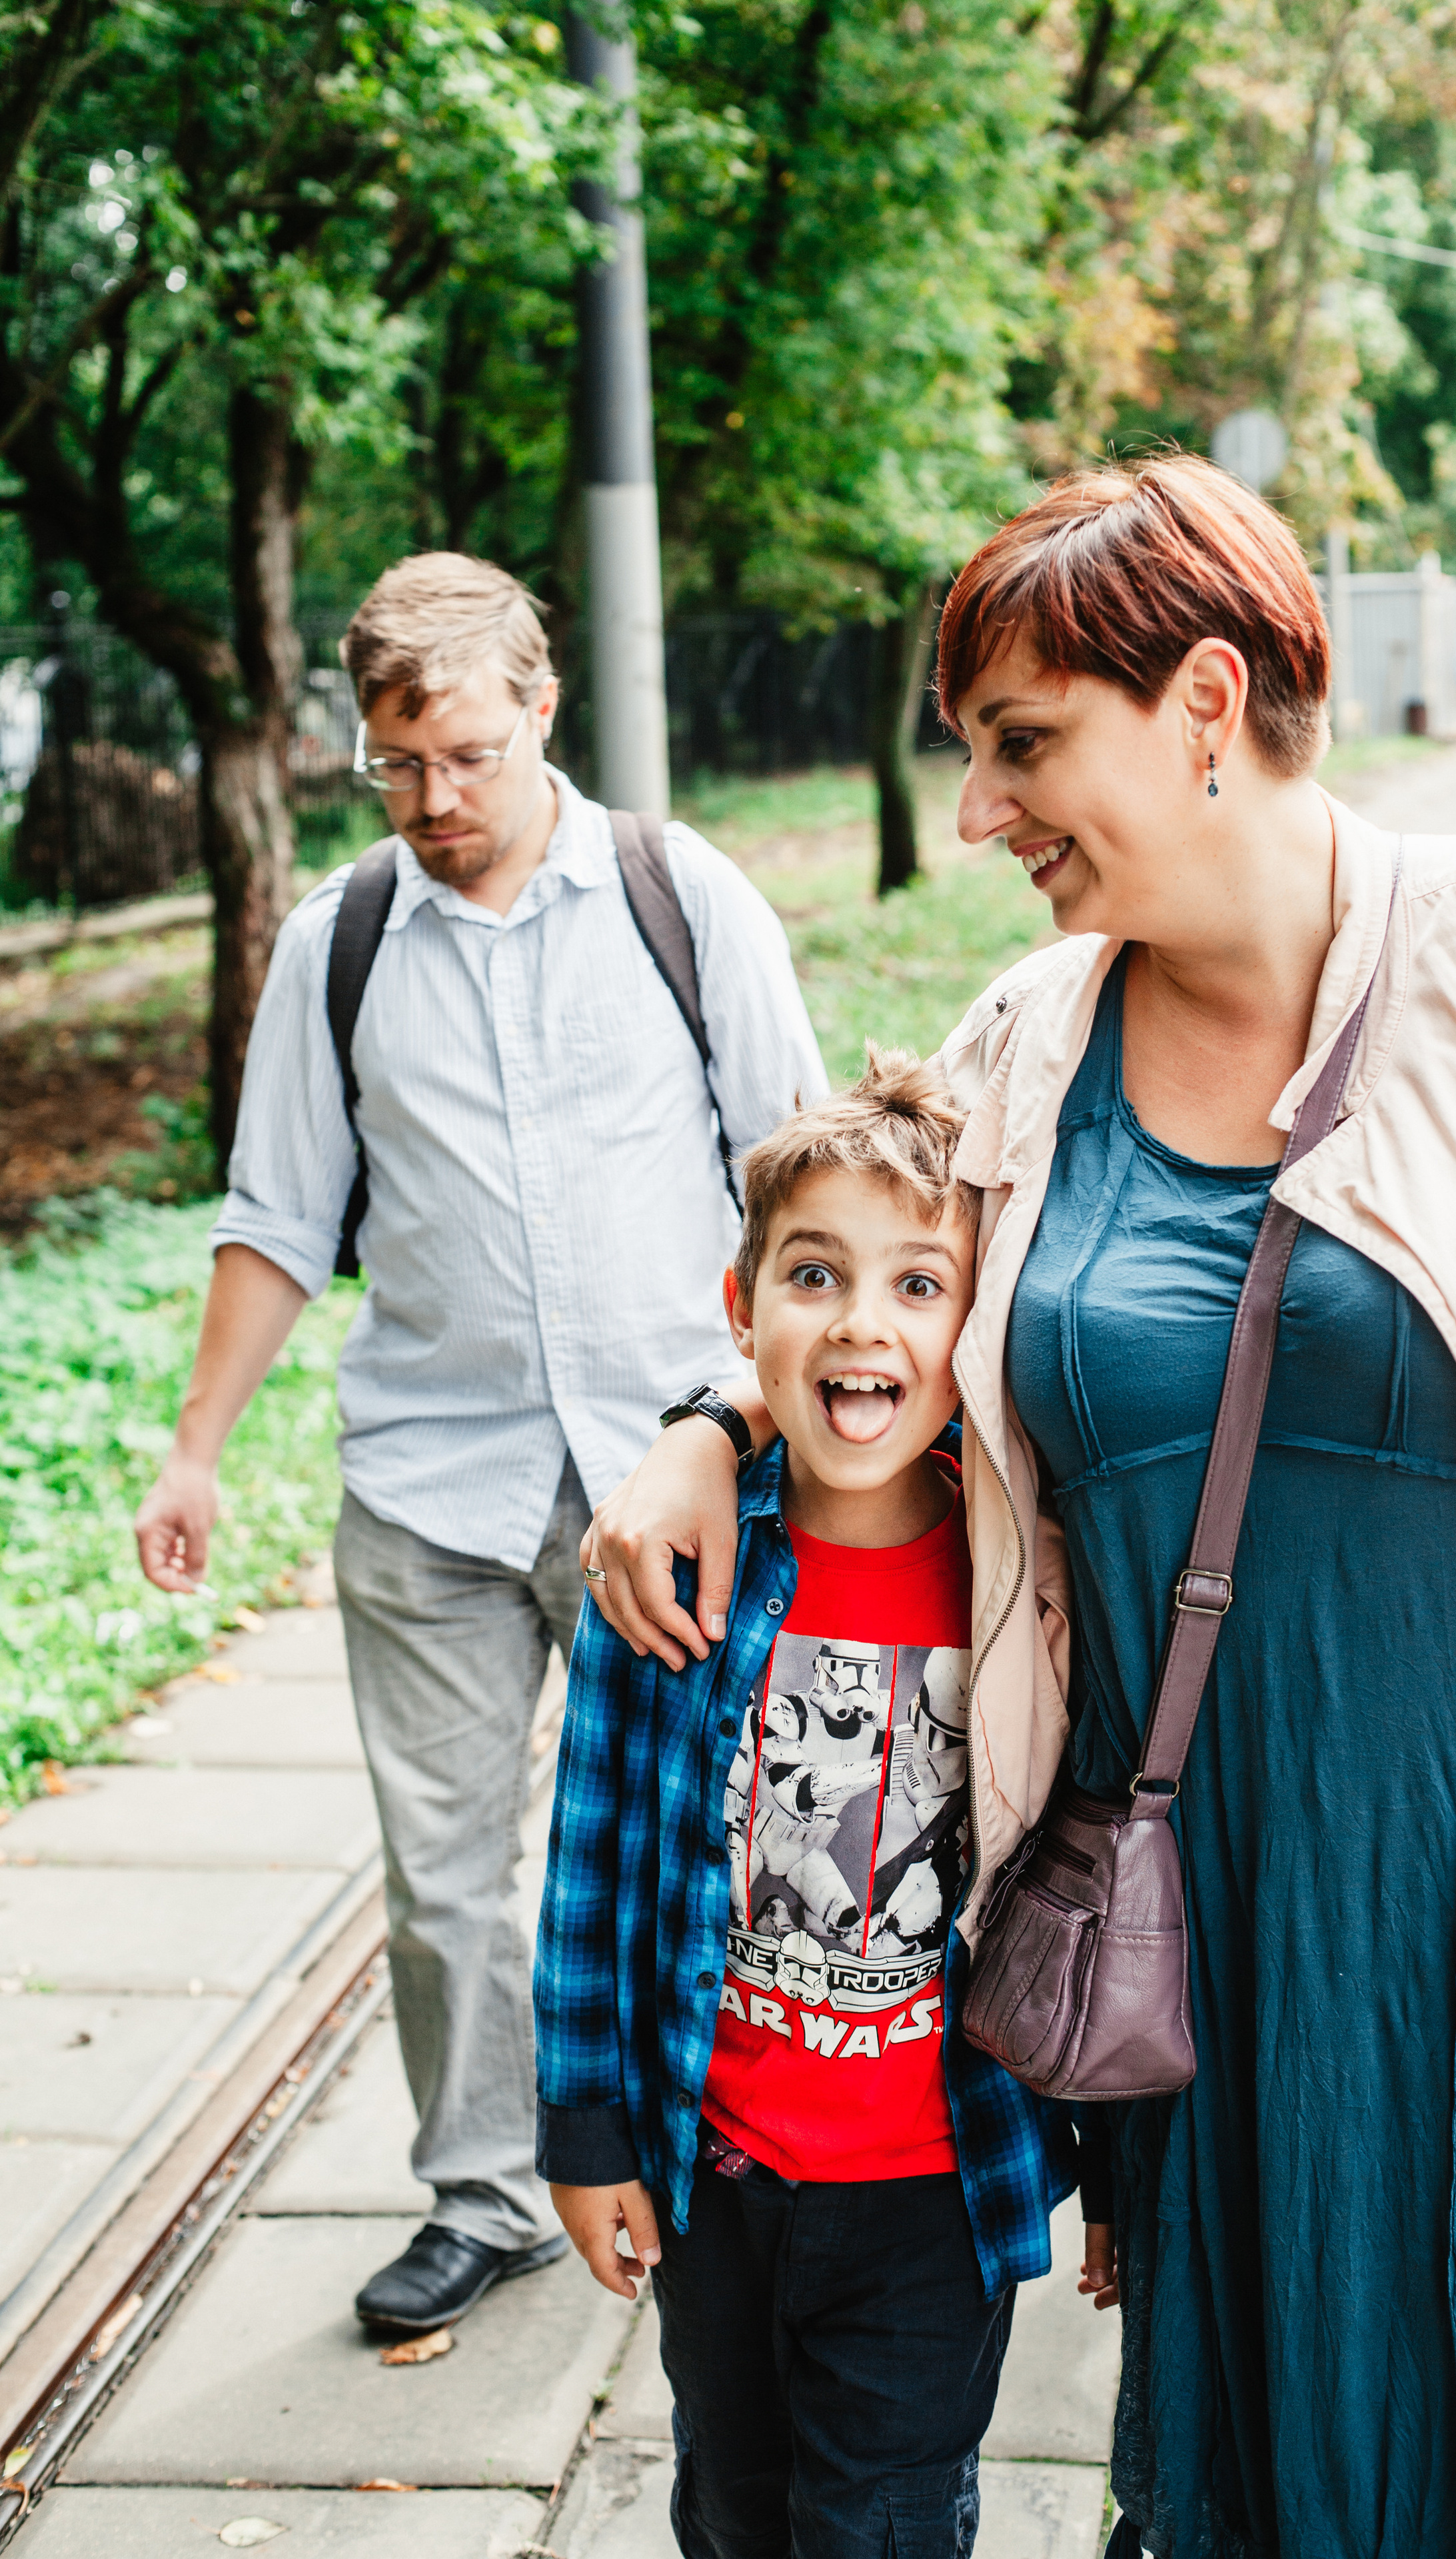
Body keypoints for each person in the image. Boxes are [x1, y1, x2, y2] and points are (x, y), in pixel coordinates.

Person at [576, 460, 1456, 2555]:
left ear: (1201, 704)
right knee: (1256, 2445)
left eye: (1022, 744)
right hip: (1176, 1898)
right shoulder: (1028, 1041)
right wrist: (697, 1431)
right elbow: (861, 1321)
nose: (987, 810)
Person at [134, 552, 825, 2339]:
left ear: (537, 708)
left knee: (704, 1845)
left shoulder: (686, 899)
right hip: (430, 1485)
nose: (433, 803)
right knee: (447, 1882)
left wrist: (799, 1429)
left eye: (461, 756)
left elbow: (800, 1180)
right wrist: (196, 1445)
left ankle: (717, 2154)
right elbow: (280, 1212)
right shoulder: (342, 939)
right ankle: (485, 2193)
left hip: (672, 1475)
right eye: (394, 766)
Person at [534, 1055, 1080, 2559]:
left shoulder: (1030, 1572)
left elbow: (1097, 1876)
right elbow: (589, 1867)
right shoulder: (673, 1566)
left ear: (973, 1328)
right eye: (813, 1274)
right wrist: (585, 2133)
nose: (859, 1322)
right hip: (717, 2172)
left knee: (883, 2525)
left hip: (933, 2189)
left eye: (919, 1283)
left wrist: (1126, 2174)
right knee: (733, 2503)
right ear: (741, 1305)